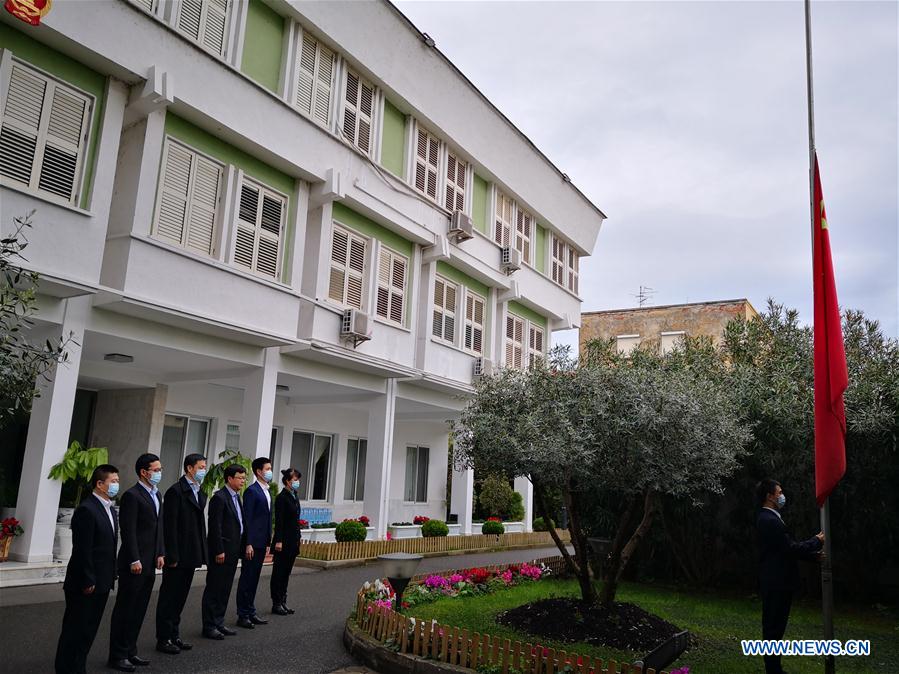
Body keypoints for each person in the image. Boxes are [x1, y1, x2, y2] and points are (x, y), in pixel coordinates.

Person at [54, 464, 120, 674]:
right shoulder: (87, 509)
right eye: (113, 482)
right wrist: (88, 579)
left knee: (88, 631)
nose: (116, 485)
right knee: (75, 630)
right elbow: (83, 550)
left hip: (102, 581)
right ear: (100, 484)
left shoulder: (109, 508)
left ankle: (78, 668)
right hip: (85, 583)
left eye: (117, 481)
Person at [756, 478, 824, 674]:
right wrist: (816, 541)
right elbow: (789, 548)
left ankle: (775, 668)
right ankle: (773, 670)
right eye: (779, 492)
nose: (782, 495)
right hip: (777, 582)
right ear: (769, 496)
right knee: (773, 629)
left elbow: (782, 550)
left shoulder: (770, 518)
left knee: (775, 628)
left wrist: (813, 557)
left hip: (777, 581)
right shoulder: (769, 520)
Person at [108, 454, 165, 672]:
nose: (159, 472)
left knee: (139, 609)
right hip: (135, 563)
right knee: (126, 609)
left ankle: (131, 650)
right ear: (144, 472)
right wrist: (134, 558)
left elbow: (159, 526)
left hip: (151, 561)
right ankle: (117, 655)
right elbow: (128, 530)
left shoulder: (156, 494)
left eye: (160, 468)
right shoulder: (132, 495)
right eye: (156, 469)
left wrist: (160, 552)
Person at [155, 453, 208, 655]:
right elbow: (169, 527)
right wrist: (172, 556)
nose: (203, 470)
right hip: (177, 555)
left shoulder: (198, 491)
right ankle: (163, 637)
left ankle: (174, 634)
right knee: (169, 597)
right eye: (201, 467)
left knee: (181, 597)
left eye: (205, 466)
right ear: (189, 468)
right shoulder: (176, 492)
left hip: (191, 553)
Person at [201, 463, 246, 640]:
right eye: (240, 478)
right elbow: (215, 527)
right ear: (229, 478)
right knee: (214, 588)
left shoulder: (237, 497)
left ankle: (219, 622)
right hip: (222, 552)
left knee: (225, 588)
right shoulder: (219, 498)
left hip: (233, 551)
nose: (243, 481)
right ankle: (209, 625)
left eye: (244, 478)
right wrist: (218, 549)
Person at [235, 456, 273, 628]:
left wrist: (267, 543)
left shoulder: (267, 491)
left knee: (255, 578)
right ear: (259, 471)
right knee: (247, 578)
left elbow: (267, 519)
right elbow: (247, 519)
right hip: (252, 543)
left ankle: (250, 611)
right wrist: (248, 543)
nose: (270, 471)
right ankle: (242, 614)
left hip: (261, 542)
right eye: (267, 468)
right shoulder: (252, 491)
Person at [270, 469, 302, 615]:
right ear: (288, 481)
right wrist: (279, 541)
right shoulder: (282, 498)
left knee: (286, 573)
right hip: (283, 542)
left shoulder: (294, 496)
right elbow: (280, 521)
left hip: (293, 540)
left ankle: (283, 600)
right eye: (295, 479)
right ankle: (276, 603)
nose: (297, 482)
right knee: (279, 572)